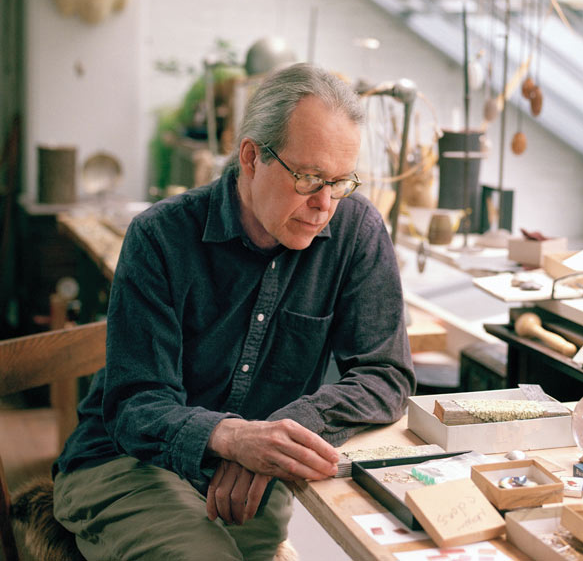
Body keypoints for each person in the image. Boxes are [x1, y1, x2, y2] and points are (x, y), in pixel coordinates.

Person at [53, 63, 416, 560]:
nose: (324, 204)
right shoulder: (159, 238)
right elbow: (136, 405)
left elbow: (386, 373)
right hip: (124, 463)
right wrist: (229, 436)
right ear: (251, 157)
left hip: (249, 478)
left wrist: (281, 431)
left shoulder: (356, 231)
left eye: (340, 181)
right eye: (309, 178)